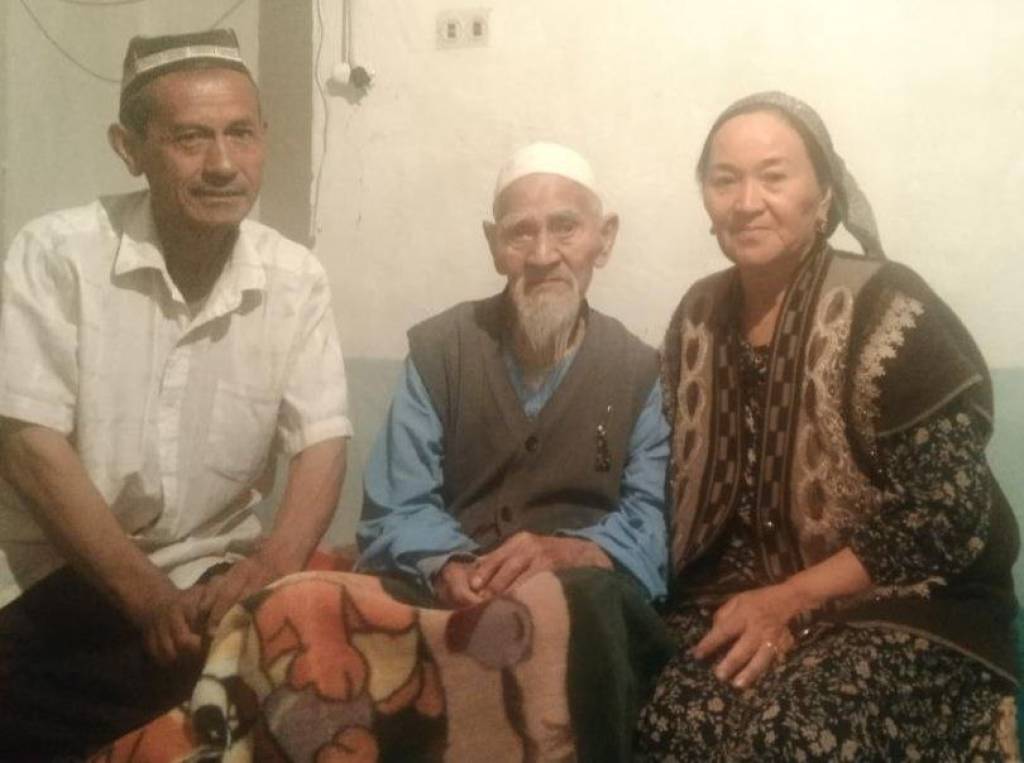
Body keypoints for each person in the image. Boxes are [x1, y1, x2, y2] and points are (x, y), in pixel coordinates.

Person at [636, 91, 1019, 760]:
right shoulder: (697, 316)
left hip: (900, 604)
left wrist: (791, 599)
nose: (747, 201)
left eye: (774, 176)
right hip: (736, 600)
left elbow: (947, 513)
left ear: (824, 195)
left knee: (792, 734)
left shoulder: (888, 306)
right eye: (725, 180)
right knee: (672, 724)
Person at [0, 29, 351, 757]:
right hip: (56, 574)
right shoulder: (57, 254)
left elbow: (322, 440)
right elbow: (29, 446)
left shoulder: (295, 278)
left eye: (240, 134)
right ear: (129, 148)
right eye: (190, 138)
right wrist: (147, 599)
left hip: (208, 577)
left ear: (264, 139)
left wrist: (270, 564)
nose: (222, 164)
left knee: (318, 671)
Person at [357, 142, 673, 759]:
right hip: (455, 593)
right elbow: (395, 504)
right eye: (520, 233)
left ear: (604, 239)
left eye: (565, 228)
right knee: (313, 603)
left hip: (585, 604)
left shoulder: (640, 371)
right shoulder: (441, 351)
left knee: (585, 606)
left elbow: (653, 524)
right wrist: (450, 566)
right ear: (493, 244)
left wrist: (570, 551)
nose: (543, 254)